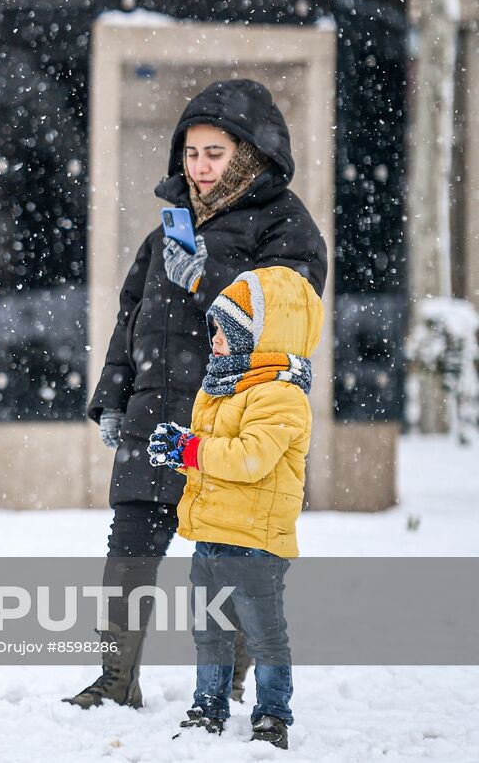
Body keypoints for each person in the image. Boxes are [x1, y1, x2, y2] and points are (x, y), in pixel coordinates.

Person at [66, 79, 326, 710]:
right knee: (129, 547)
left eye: (214, 152)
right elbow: (132, 323)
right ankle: (114, 679)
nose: (200, 166)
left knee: (231, 558)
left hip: (232, 420)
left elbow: (291, 313)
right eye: (190, 153)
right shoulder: (164, 237)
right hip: (155, 415)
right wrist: (112, 399)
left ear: (247, 152)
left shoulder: (284, 224)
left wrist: (210, 278)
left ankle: (230, 687)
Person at [148, 264, 321, 749]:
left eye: (229, 329)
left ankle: (272, 713)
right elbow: (213, 458)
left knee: (263, 633)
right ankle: (209, 704)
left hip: (255, 541)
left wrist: (191, 451)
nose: (216, 337)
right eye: (216, 327)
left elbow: (249, 459)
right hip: (213, 533)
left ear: (259, 335)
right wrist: (181, 451)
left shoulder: (282, 394)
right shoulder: (223, 385)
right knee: (210, 630)